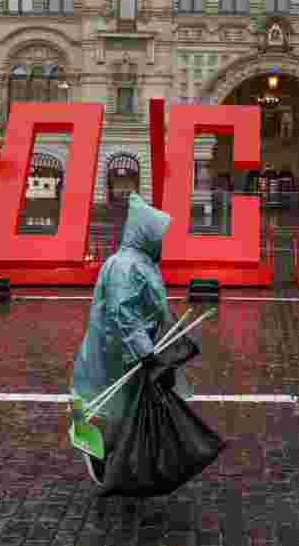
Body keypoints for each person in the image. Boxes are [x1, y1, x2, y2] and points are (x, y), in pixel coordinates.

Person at [70, 192, 192, 482]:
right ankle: (104, 451)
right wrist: (145, 352)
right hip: (126, 352)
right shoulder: (127, 266)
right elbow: (124, 312)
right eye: (158, 235)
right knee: (131, 409)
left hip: (133, 349)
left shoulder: (139, 261)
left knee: (133, 407)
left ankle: (122, 455)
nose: (162, 242)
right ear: (146, 234)